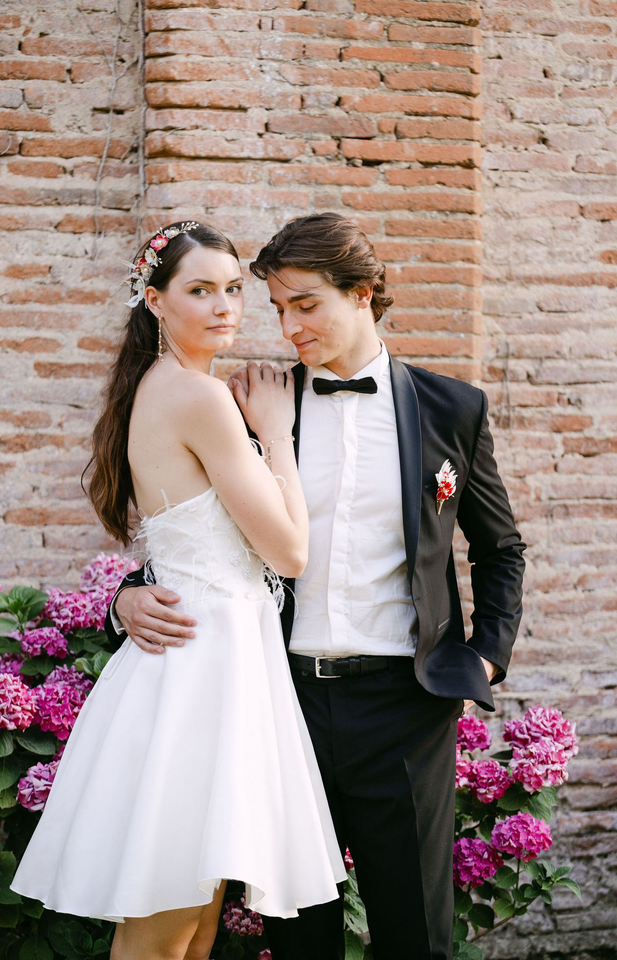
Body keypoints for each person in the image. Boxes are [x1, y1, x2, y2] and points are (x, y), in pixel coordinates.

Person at [106, 213, 526, 960]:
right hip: (281, 699)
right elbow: (204, 535)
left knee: (417, 934)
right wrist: (127, 597)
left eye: (306, 305)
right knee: (298, 938)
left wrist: (484, 658)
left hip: (405, 704)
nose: (287, 325)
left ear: (362, 294)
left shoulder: (452, 410)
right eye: (276, 306)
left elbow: (500, 548)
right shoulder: (254, 405)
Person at [11, 221, 347, 960]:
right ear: (155, 301)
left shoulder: (164, 387)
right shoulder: (198, 397)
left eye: (233, 289)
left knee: (192, 932)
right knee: (164, 937)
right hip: (202, 676)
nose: (225, 306)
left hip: (216, 667)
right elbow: (288, 553)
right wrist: (278, 436)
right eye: (200, 290)